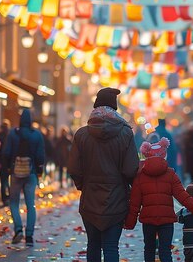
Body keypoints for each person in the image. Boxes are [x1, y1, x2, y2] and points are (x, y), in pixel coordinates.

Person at [68, 88, 139, 262]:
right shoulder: (125, 133)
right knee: (110, 247)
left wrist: (83, 185)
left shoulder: (82, 134)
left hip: (90, 198)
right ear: (114, 108)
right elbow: (131, 169)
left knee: (93, 244)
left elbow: (74, 168)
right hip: (116, 199)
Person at [124, 137, 193, 262]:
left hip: (148, 220)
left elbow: (135, 204)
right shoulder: (170, 174)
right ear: (164, 155)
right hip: (166, 220)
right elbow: (183, 196)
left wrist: (129, 223)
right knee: (165, 250)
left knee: (149, 249)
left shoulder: (140, 177)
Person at [4, 110, 45, 247]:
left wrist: (7, 168)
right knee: (30, 204)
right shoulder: (37, 135)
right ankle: (29, 236)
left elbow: (6, 152)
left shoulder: (12, 134)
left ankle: (18, 229)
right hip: (31, 172)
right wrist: (39, 171)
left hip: (15, 172)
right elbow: (40, 156)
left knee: (14, 203)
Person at [0, 119, 11, 206]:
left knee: (3, 181)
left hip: (2, 162)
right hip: (8, 162)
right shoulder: (9, 136)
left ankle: (4, 198)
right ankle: (9, 197)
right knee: (8, 181)